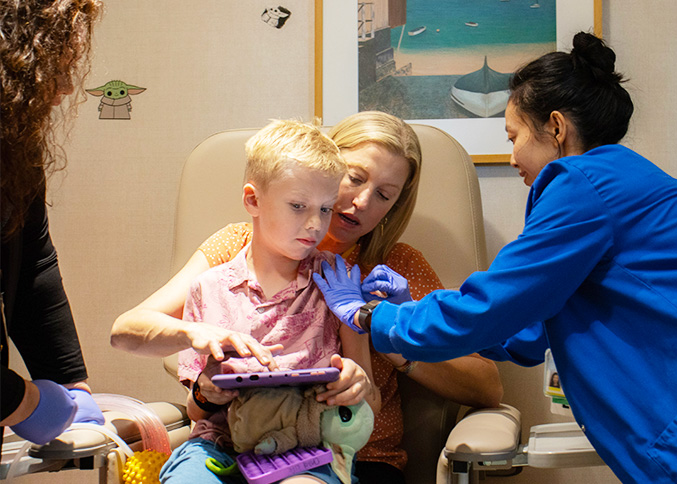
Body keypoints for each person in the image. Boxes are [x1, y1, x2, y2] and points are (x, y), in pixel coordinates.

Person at [314, 33, 677, 484]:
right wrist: (407, 309)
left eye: (513, 136)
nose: (512, 158)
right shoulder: (613, 183)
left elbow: (495, 308)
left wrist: (375, 317)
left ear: (555, 127)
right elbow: (524, 328)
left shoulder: (585, 182)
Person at [111, 111, 503, 484]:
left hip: (353, 457)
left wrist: (388, 330)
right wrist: (198, 347)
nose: (363, 203)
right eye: (354, 178)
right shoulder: (233, 252)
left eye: (384, 195)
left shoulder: (393, 267)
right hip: (229, 441)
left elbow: (484, 385)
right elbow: (133, 328)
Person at [159, 119, 379, 484]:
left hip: (307, 450)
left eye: (325, 209)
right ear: (252, 200)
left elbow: (367, 399)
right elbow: (196, 410)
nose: (314, 224)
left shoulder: (335, 283)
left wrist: (356, 383)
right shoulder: (208, 289)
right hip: (219, 444)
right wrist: (207, 390)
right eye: (297, 206)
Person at [0, 0, 105, 448]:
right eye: (53, 69)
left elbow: (34, 264)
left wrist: (69, 381)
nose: (65, 88)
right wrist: (23, 402)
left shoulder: (14, 146)